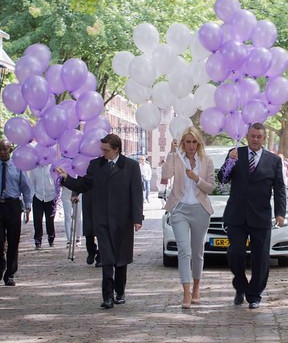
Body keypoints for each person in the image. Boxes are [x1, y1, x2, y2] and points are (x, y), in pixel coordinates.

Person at [56, 134, 143, 309]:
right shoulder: (95, 165)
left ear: (116, 149)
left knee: (121, 257)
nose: (103, 153)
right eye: (102, 149)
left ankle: (120, 292)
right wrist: (67, 178)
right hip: (102, 218)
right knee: (107, 257)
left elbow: (136, 193)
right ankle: (108, 296)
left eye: (106, 150)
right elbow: (84, 185)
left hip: (123, 219)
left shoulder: (131, 166)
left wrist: (137, 218)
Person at [218, 123, 287, 309]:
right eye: (252, 136)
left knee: (261, 258)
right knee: (235, 252)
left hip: (261, 216)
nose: (255, 139)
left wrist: (281, 213)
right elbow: (222, 179)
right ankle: (240, 285)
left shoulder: (273, 160)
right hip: (236, 215)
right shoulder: (235, 154)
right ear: (247, 136)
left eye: (259, 136)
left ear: (264, 139)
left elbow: (280, 188)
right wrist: (229, 162)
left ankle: (254, 294)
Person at [162, 127, 215, 309]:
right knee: (184, 251)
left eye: (194, 142)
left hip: (200, 209)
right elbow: (165, 176)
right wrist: (171, 152)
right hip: (180, 209)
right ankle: (186, 291)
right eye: (187, 142)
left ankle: (196, 288)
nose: (191, 145)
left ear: (198, 143)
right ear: (183, 143)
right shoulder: (177, 159)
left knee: (197, 251)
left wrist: (196, 178)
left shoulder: (206, 161)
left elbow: (210, 188)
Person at [0, 139, 32, 286]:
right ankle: (1, 265)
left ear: (10, 150)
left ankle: (10, 274)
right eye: (0, 149)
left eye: (5, 149)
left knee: (13, 240)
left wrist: (28, 205)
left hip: (13, 205)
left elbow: (25, 187)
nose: (2, 152)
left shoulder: (17, 167)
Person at [29, 164, 56, 249]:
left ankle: (51, 237)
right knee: (37, 219)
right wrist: (32, 196)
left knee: (50, 219)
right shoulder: (34, 169)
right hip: (38, 197)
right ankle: (37, 240)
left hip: (50, 197)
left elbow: (56, 181)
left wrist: (56, 194)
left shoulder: (53, 167)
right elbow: (32, 183)